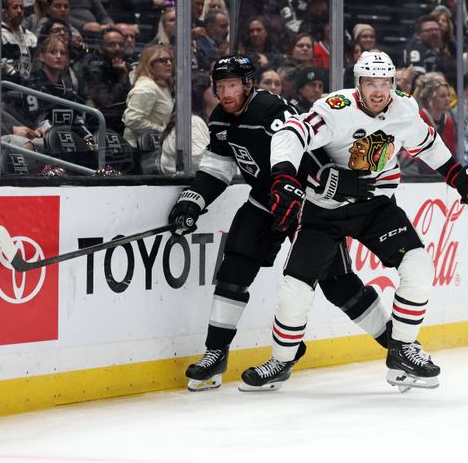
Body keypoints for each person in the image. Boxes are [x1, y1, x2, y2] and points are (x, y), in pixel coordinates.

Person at [240, 51, 468, 391]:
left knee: (419, 267)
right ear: (358, 83)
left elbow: (427, 144)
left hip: (376, 207)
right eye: (370, 83)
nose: (378, 90)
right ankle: (281, 361)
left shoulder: (404, 109)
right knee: (295, 288)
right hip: (324, 209)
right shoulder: (335, 109)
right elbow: (290, 133)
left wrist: (458, 176)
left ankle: (401, 351)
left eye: (384, 83)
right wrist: (283, 175)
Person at [167, 56, 394, 391]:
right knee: (234, 270)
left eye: (233, 86)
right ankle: (216, 352)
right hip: (265, 201)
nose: (226, 94)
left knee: (339, 284)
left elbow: (304, 149)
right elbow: (217, 169)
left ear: (248, 85)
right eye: (220, 87)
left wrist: (333, 180)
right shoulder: (219, 120)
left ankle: (398, 346)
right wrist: (194, 199)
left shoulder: (270, 110)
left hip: (308, 204)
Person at [122, 45, 175, 148]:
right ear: (150, 64)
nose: (169, 64)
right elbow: (133, 120)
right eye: (162, 60)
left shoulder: (162, 84)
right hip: (140, 150)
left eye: (170, 60)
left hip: (156, 145)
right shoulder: (147, 88)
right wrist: (164, 131)